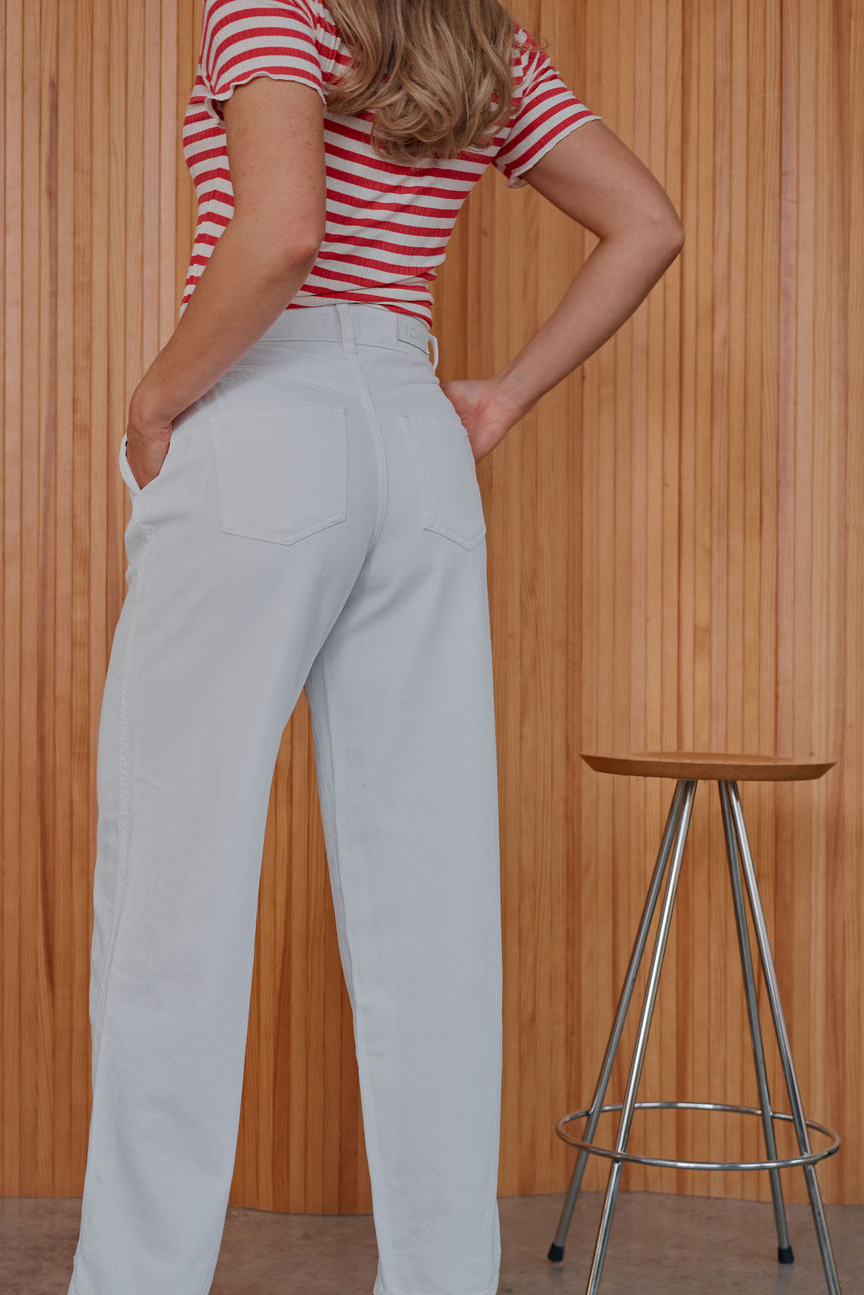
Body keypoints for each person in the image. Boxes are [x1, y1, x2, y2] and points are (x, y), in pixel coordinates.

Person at [66, 1, 683, 1292]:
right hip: (418, 440)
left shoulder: (271, 6)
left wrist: (156, 397)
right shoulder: (482, 34)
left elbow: (283, 232)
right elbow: (647, 223)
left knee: (174, 889)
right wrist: (499, 397)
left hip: (262, 417)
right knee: (430, 904)